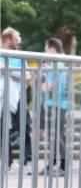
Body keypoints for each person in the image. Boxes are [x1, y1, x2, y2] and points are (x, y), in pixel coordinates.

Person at [2, 28, 32, 168]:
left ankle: (27, 159)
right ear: (8, 40)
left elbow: (27, 76)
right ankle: (6, 161)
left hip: (18, 96)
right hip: (2, 96)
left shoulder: (19, 56)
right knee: (3, 128)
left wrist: (8, 71)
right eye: (15, 39)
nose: (18, 42)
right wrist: (14, 73)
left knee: (24, 127)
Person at [38, 38, 69, 175]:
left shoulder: (56, 65)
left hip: (56, 105)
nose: (44, 52)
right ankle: (54, 164)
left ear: (52, 49)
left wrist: (42, 81)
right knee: (56, 135)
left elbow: (49, 87)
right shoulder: (58, 64)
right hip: (57, 104)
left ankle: (61, 165)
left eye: (46, 49)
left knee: (57, 136)